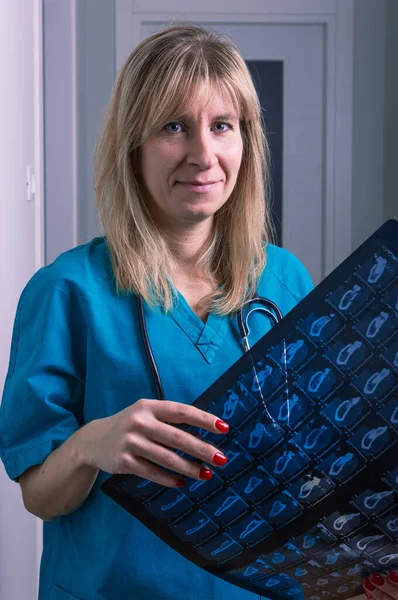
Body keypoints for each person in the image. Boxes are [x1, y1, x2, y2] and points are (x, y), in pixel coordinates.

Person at [1, 23, 394, 600]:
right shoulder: (66, 291)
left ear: (246, 142)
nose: (203, 155)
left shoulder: (284, 280)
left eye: (222, 126)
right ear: (133, 145)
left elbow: (310, 471)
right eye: (174, 127)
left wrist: (351, 577)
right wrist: (93, 444)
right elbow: (39, 494)